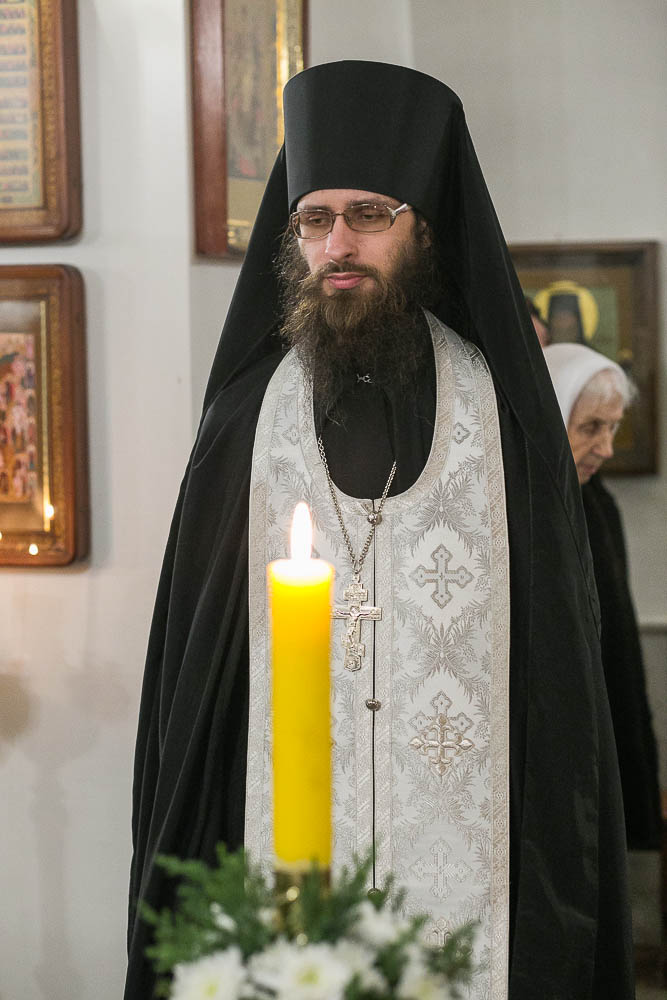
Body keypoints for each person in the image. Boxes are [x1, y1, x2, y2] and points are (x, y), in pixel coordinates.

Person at [125, 62, 633, 999]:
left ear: (424, 226)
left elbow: (556, 681)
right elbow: (196, 690)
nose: (337, 245)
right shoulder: (245, 420)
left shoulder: (504, 420)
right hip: (277, 857)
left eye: (368, 215)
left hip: (478, 875)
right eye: (313, 220)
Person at [544, 342, 662, 852]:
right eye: (591, 427)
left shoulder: (598, 501)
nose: (607, 448)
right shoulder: (533, 508)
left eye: (613, 428)